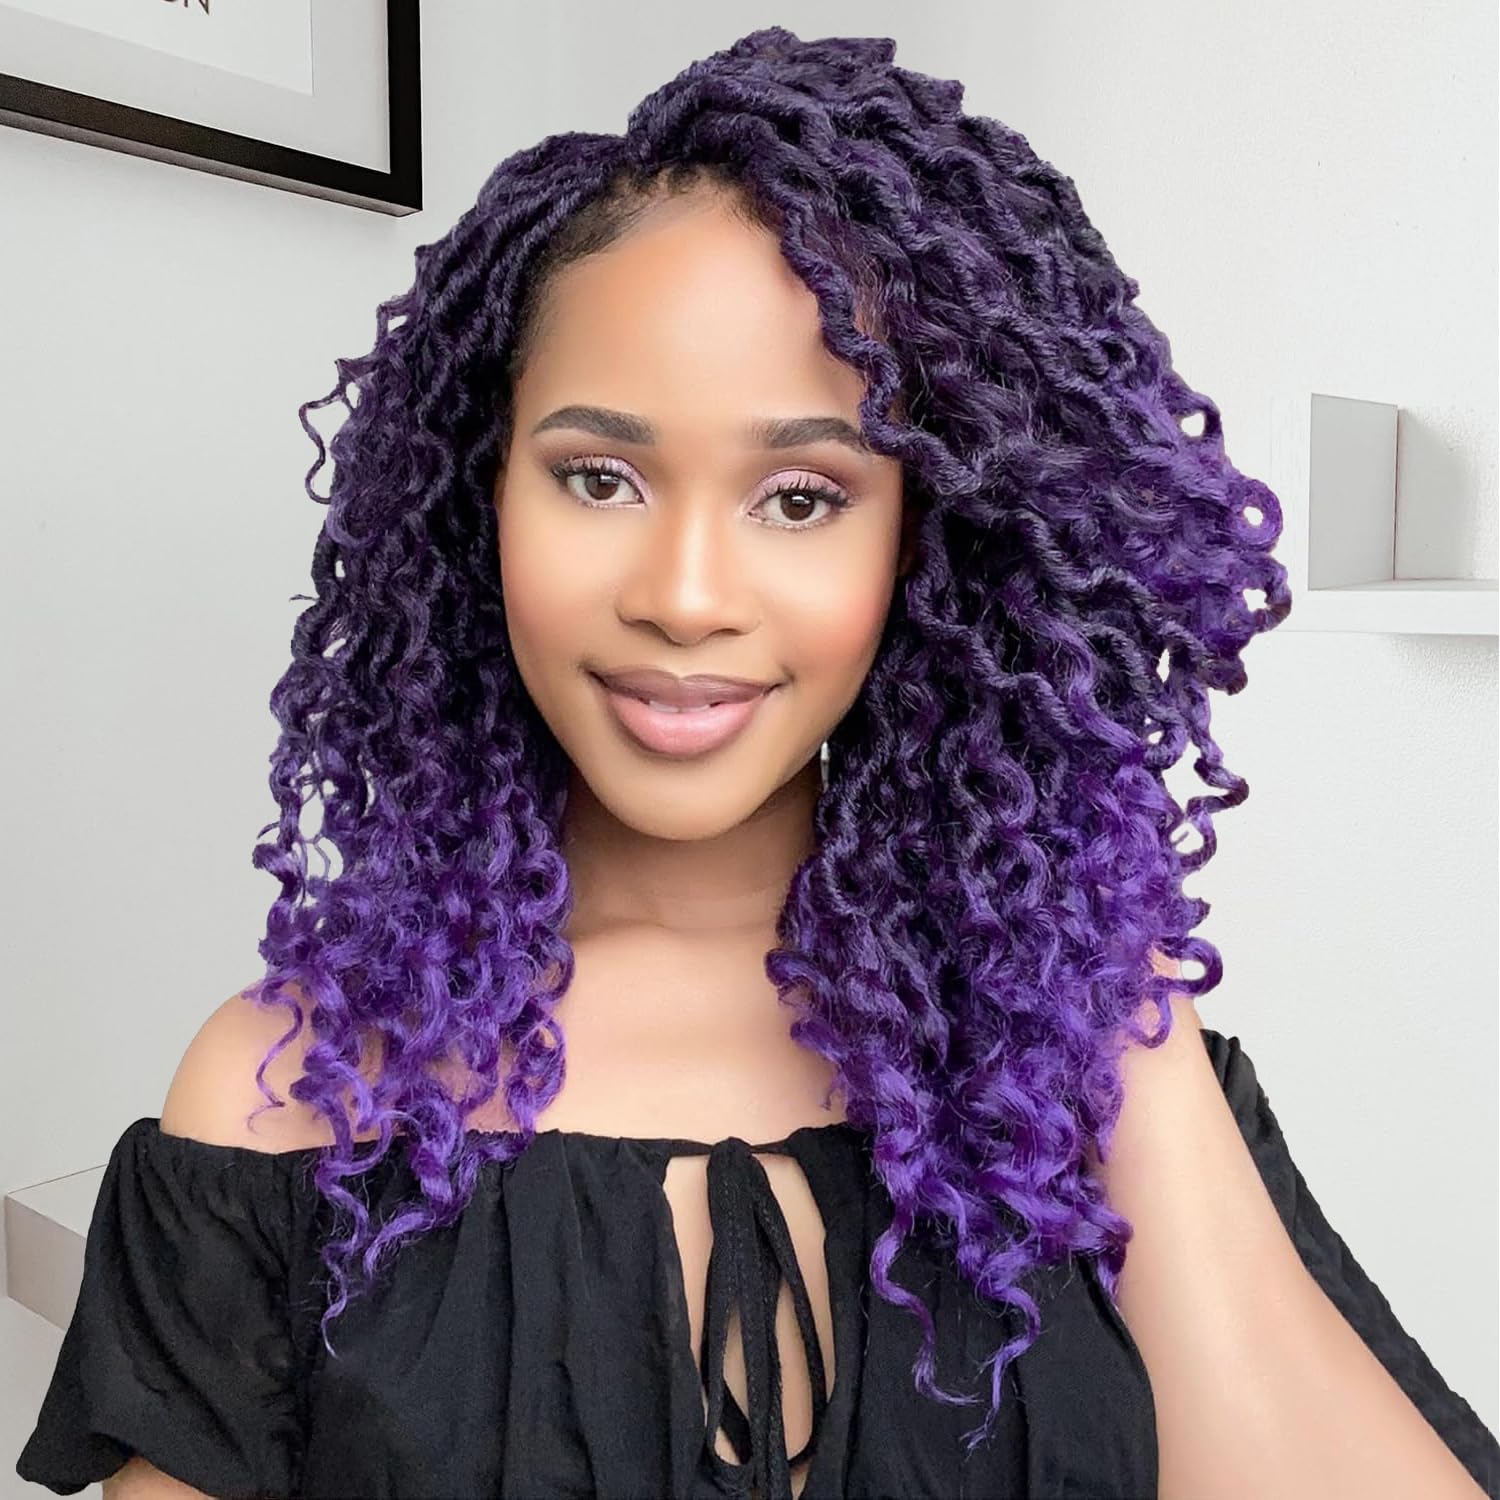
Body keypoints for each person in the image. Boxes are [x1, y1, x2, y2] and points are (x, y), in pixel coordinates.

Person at [16, 25, 1498, 1500]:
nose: (685, 595)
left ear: (933, 545)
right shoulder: (293, 1094)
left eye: (801, 497)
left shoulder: (1096, 1067)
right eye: (599, 476)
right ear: (483, 501)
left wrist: (1106, 994)